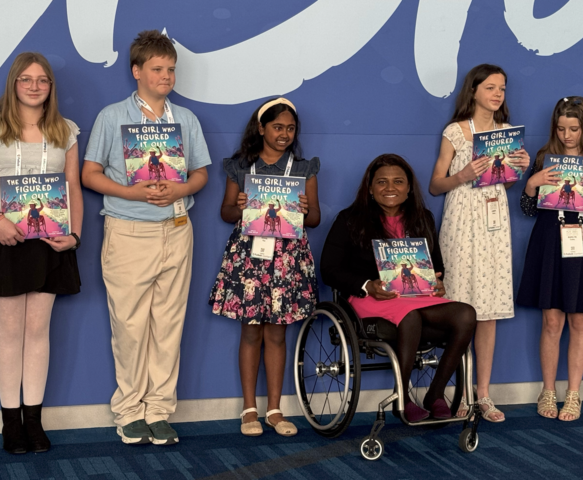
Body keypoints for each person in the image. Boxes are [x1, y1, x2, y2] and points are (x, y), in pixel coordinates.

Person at [82, 30, 211, 445]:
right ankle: (129, 411)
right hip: (128, 229)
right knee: (131, 325)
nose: (166, 76)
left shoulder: (185, 120)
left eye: (171, 69)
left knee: (169, 324)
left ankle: (159, 410)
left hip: (177, 228)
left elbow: (201, 174)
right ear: (137, 71)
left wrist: (182, 189)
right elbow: (89, 174)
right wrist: (130, 192)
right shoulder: (112, 116)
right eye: (157, 69)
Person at [0, 52, 83, 453]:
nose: (34, 86)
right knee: (10, 332)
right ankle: (10, 423)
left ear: (51, 86)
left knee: (38, 332)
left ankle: (34, 420)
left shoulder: (65, 131)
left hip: (49, 243)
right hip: (1, 241)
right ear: (14, 84)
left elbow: (73, 189)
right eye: (26, 79)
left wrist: (75, 235)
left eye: (42, 80)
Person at [324, 154, 477, 422]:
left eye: (398, 181)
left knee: (466, 314)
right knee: (410, 316)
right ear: (370, 189)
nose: (390, 187)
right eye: (381, 182)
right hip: (371, 298)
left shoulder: (423, 218)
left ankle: (435, 394)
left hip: (418, 297)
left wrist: (437, 281)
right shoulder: (350, 219)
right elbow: (329, 269)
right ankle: (402, 397)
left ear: (408, 189)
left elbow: (437, 264)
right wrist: (367, 285)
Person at [209, 97, 319, 437]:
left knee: (277, 333)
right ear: (261, 129)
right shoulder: (241, 166)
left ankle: (274, 408)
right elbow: (225, 213)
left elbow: (314, 219)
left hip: (288, 260)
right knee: (251, 331)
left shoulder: (303, 169)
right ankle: (249, 409)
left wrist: (304, 208)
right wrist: (240, 205)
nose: (284, 134)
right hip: (250, 259)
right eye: (276, 127)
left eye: (290, 128)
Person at [428, 64, 529, 422]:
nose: (498, 94)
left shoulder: (507, 133)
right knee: (460, 307)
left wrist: (520, 168)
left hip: (494, 225)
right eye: (490, 87)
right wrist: (462, 175)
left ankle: (482, 394)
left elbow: (506, 183)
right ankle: (452, 392)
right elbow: (435, 184)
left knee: (489, 312)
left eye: (502, 88)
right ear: (473, 91)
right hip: (460, 221)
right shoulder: (455, 132)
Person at [518, 96, 583, 421]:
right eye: (561, 128)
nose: (567, 135)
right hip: (550, 240)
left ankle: (574, 394)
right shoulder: (543, 159)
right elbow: (528, 209)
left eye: (573, 129)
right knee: (551, 321)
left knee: (580, 322)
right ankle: (548, 390)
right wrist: (532, 185)